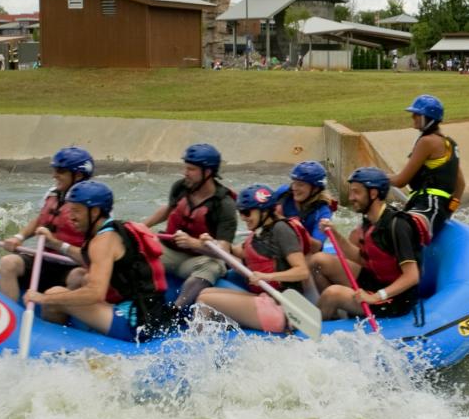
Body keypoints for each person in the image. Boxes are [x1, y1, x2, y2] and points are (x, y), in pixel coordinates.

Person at [26, 181, 180, 343]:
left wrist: (42, 299)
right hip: (153, 314)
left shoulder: (102, 241)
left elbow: (94, 293)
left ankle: (51, 345)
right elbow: (91, 258)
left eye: (76, 211)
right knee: (79, 275)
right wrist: (57, 244)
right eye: (70, 210)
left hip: (135, 325)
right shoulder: (118, 229)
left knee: (53, 294)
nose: (71, 217)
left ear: (95, 212)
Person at [312, 167, 426, 321]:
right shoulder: (370, 220)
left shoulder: (397, 225)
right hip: (374, 280)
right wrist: (335, 235)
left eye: (356, 192)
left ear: (373, 193)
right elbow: (362, 259)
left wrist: (377, 297)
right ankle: (334, 314)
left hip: (395, 297)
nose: (351, 197)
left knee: (333, 293)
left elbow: (412, 276)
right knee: (318, 261)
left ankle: (320, 323)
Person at [197, 184, 312, 333]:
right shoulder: (260, 232)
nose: (243, 218)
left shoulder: (281, 229)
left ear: (264, 211)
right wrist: (212, 242)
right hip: (267, 298)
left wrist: (267, 276)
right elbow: (238, 251)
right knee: (204, 293)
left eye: (247, 212)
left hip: (283, 309)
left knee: (205, 301)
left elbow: (302, 271)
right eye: (241, 213)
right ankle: (211, 336)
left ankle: (199, 345)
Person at [142, 143, 238, 308]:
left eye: (191, 169)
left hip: (197, 260)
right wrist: (142, 226)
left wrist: (193, 243)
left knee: (213, 265)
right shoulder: (181, 187)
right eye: (185, 168)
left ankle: (176, 310)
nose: (185, 173)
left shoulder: (224, 204)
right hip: (168, 251)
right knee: (136, 247)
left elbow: (224, 250)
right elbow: (169, 209)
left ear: (207, 173)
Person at [0, 147, 94, 303]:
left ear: (78, 175)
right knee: (8, 262)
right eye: (55, 169)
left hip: (72, 266)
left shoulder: (94, 206)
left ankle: (59, 321)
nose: (54, 175)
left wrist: (56, 244)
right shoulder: (52, 193)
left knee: (79, 277)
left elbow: (95, 255)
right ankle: (9, 317)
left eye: (61, 171)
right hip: (44, 260)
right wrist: (19, 237)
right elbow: (41, 219)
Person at [386, 94, 465, 238]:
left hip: (427, 205)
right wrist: (449, 209)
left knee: (392, 228)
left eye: (416, 114)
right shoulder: (449, 144)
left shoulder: (427, 142)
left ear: (427, 117)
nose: (413, 117)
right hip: (437, 208)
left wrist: (378, 176)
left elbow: (400, 181)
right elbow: (461, 185)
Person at [273, 160, 336, 254]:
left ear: (315, 188)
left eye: (300, 184)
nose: (294, 188)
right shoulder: (284, 193)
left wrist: (294, 227)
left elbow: (316, 247)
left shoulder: (323, 211)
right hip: (277, 246)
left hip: (302, 253)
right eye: (294, 182)